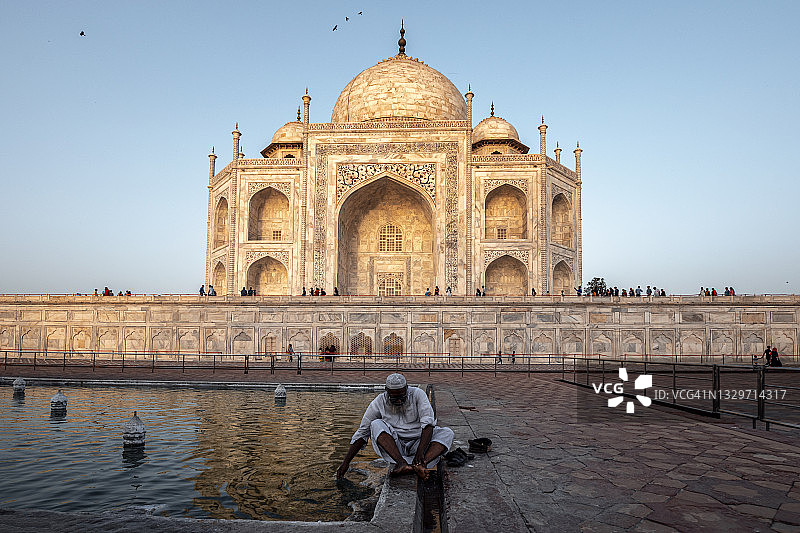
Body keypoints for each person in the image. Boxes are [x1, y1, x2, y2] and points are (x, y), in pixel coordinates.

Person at [337, 373, 453, 481]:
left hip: (419, 444)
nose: (398, 400)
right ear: (387, 392)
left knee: (447, 433)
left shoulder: (417, 394)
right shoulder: (379, 401)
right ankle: (401, 464)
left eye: (401, 396)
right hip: (396, 449)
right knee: (375, 424)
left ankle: (421, 464)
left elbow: (428, 424)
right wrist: (346, 462)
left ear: (406, 389)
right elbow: (363, 432)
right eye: (394, 397)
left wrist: (420, 453)